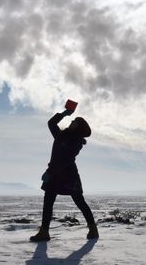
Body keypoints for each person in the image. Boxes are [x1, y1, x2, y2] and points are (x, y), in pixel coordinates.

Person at [30, 100, 98, 242]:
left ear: (79, 128)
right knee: (48, 200)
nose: (72, 122)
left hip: (68, 174)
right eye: (72, 120)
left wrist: (50, 171)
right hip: (55, 172)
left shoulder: (76, 141)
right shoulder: (62, 135)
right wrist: (65, 113)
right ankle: (44, 232)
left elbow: (64, 159)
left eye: (75, 121)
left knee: (79, 201)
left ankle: (93, 228)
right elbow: (51, 124)